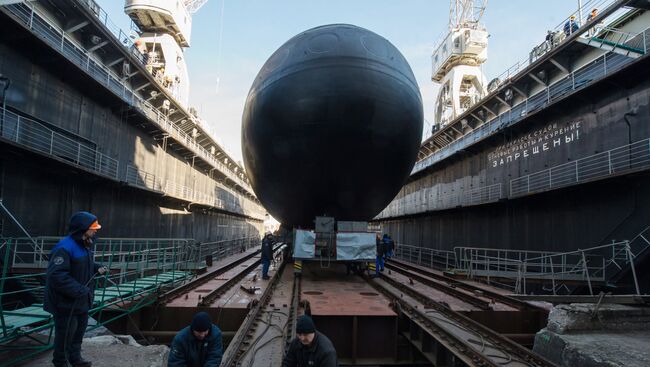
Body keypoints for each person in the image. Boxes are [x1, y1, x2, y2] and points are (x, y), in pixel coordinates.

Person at [44, 211, 106, 367]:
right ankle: (60, 362)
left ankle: (75, 359)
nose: (96, 230)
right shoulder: (64, 248)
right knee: (65, 334)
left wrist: (96, 267)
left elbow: (83, 266)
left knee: (78, 332)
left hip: (81, 301)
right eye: (93, 228)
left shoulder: (84, 244)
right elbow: (56, 276)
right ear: (82, 229)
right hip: (65, 303)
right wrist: (79, 290)